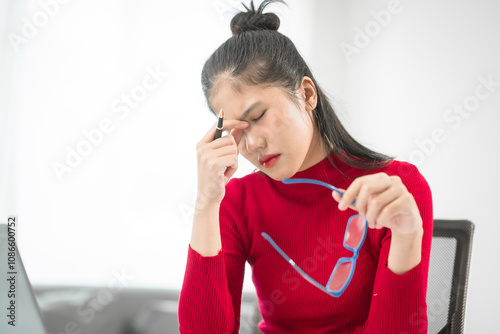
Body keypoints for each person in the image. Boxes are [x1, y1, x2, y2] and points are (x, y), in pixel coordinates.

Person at [178, 0, 433, 333]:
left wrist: (408, 237)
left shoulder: (394, 187)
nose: (252, 144)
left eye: (258, 117)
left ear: (307, 93)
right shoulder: (237, 201)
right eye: (237, 130)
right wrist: (206, 204)